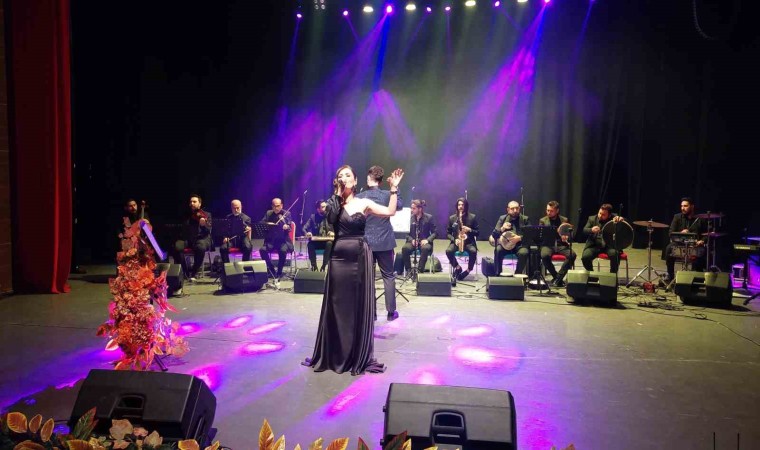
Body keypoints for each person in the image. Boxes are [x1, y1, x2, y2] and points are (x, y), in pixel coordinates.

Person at [303, 165, 404, 375]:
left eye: (348, 175)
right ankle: (334, 352)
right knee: (336, 303)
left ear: (355, 181)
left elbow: (390, 211)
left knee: (356, 304)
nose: (344, 178)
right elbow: (331, 220)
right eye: (340, 175)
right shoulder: (333, 203)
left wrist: (394, 189)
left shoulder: (364, 202)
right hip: (338, 257)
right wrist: (337, 196)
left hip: (359, 256)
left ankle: (355, 353)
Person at [356, 166, 403, 321]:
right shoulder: (388, 195)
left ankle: (372, 312)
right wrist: (395, 188)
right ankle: (391, 312)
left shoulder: (360, 197)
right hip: (385, 242)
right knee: (388, 276)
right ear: (381, 181)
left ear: (368, 178)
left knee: (368, 278)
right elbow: (399, 205)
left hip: (366, 243)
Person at [170, 194, 212, 280]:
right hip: (188, 239)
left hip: (202, 239)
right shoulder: (186, 215)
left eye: (194, 202)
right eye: (191, 202)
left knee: (200, 247)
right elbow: (182, 228)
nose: (192, 203)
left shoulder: (206, 215)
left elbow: (209, 230)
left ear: (200, 204)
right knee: (175, 246)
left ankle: (194, 272)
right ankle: (185, 271)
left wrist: (204, 224)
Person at [664, 197, 707, 282]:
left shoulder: (700, 218)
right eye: (681, 206)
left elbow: (707, 234)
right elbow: (671, 233)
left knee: (702, 252)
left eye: (685, 206)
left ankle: (697, 277)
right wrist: (680, 233)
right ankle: (670, 275)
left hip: (695, 245)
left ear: (692, 206)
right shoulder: (677, 217)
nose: (682, 208)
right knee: (669, 248)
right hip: (680, 244)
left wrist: (702, 241)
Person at [538, 201, 577, 287]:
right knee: (544, 256)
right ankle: (556, 277)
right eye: (547, 210)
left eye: (551, 211)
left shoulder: (564, 220)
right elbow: (540, 236)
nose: (548, 212)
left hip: (561, 244)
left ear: (557, 211)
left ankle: (558, 277)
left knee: (572, 255)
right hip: (548, 244)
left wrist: (566, 237)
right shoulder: (543, 220)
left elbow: (570, 235)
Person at [489, 200, 530, 276]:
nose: (515, 210)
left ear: (519, 209)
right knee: (498, 250)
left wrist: (519, 238)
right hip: (505, 245)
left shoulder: (525, 219)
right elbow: (494, 235)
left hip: (519, 245)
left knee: (524, 253)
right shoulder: (502, 218)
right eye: (512, 209)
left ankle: (518, 274)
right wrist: (502, 228)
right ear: (508, 209)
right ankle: (498, 274)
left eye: (517, 208)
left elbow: (530, 235)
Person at [581, 203, 624, 273]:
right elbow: (584, 230)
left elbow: (625, 223)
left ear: (609, 215)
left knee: (614, 255)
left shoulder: (614, 218)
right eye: (599, 213)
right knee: (585, 257)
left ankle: (612, 276)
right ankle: (592, 275)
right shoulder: (592, 218)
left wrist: (622, 220)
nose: (600, 216)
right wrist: (591, 230)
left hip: (609, 246)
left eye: (603, 215)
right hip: (594, 245)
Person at [259, 198, 294, 279]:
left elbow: (289, 227)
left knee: (283, 251)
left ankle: (279, 272)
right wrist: (268, 223)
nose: (276, 208)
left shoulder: (287, 213)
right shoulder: (269, 213)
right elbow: (261, 223)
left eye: (278, 206)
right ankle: (271, 270)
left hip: (283, 241)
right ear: (272, 206)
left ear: (281, 205)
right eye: (274, 206)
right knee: (262, 250)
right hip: (271, 241)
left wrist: (286, 226)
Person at [446, 198, 479, 280]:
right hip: (457, 241)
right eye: (459, 205)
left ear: (466, 206)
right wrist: (454, 239)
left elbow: (477, 232)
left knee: (473, 251)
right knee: (448, 251)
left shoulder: (472, 217)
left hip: (468, 242)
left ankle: (468, 270)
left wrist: (470, 230)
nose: (460, 206)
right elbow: (448, 233)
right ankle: (457, 267)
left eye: (462, 205)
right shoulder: (452, 218)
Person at [401, 199, 436, 275]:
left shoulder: (429, 217)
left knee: (425, 248)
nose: (411, 210)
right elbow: (406, 233)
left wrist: (427, 240)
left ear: (420, 209)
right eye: (411, 208)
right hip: (413, 241)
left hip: (424, 241)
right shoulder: (409, 218)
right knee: (405, 248)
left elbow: (435, 233)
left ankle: (420, 271)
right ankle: (409, 270)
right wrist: (411, 240)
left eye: (414, 208)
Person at [302, 199, 334, 271]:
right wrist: (307, 233)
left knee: (329, 243)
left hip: (326, 241)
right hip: (316, 241)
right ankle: (314, 266)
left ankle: (324, 265)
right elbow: (304, 228)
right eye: (323, 207)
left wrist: (333, 232)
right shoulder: (313, 217)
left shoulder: (330, 217)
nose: (325, 208)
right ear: (318, 209)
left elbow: (337, 227)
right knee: (310, 245)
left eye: (325, 206)